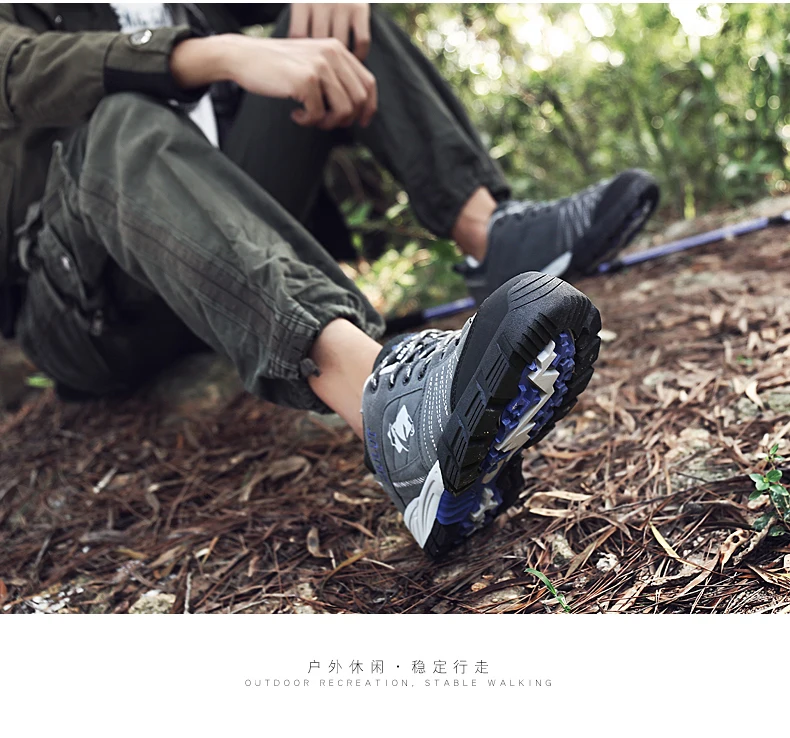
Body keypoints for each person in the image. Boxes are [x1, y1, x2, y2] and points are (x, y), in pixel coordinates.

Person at [0, 4, 658, 558]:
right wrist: (217, 53)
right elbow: (18, 67)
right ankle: (391, 414)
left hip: (211, 248)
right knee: (123, 117)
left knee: (332, 21)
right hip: (88, 304)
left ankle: (491, 232)